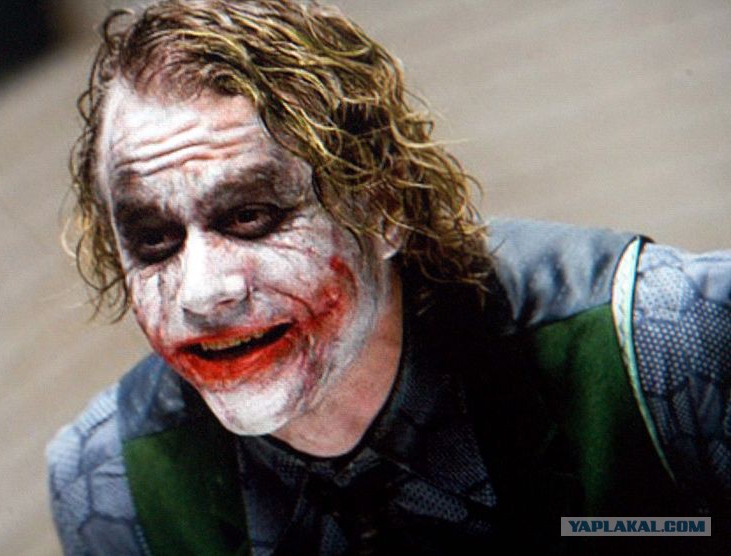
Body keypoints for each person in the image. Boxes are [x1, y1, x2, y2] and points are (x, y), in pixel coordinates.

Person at [46, 1, 731, 554]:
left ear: (383, 205)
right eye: (154, 242)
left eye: (251, 216)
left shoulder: (665, 337)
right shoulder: (111, 483)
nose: (201, 293)